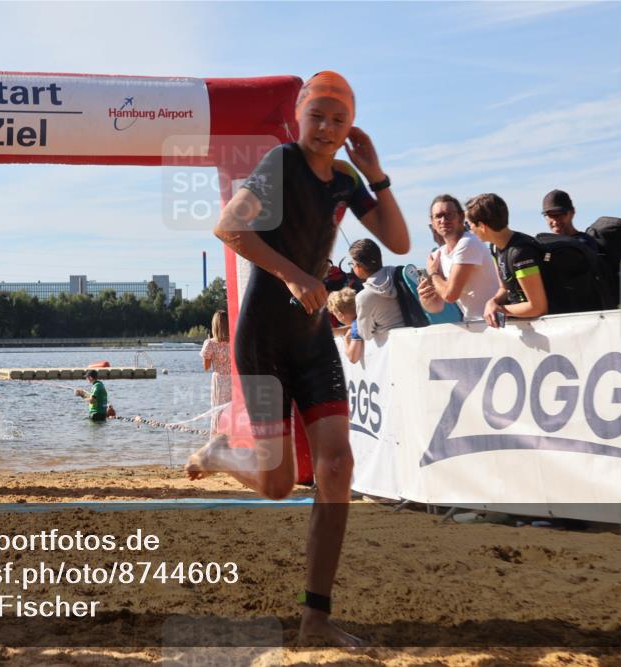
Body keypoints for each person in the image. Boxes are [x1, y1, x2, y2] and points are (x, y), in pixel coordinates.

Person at [184, 71, 409, 646]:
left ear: (349, 125)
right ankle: (216, 456)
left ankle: (317, 617)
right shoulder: (282, 163)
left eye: (339, 119)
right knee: (278, 483)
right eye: (318, 116)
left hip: (311, 343)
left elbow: (399, 240)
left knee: (337, 467)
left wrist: (377, 172)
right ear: (300, 118)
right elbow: (228, 227)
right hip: (260, 341)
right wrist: (293, 273)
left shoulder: (345, 180)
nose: (327, 128)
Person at [466, 193, 549, 327]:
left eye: (469, 224)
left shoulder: (521, 253)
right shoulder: (495, 247)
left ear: (481, 225)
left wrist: (501, 310)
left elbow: (538, 307)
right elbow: (505, 288)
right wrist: (492, 302)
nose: (469, 229)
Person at [417, 194, 499, 321]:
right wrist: (425, 298)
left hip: (495, 323)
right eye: (438, 216)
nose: (443, 220)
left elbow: (450, 296)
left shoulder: (468, 243)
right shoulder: (438, 255)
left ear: (461, 216)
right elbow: (436, 307)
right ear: (432, 222)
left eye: (448, 214)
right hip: (475, 324)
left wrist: (433, 273)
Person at [348, 239, 404, 363]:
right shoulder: (399, 274)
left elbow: (365, 334)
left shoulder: (364, 297)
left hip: (392, 354)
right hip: (417, 341)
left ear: (358, 266)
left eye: (351, 264)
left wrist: (353, 325)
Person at [201, 310, 232, 436]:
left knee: (219, 411)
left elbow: (206, 367)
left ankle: (217, 440)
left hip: (219, 380)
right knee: (233, 409)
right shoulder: (235, 341)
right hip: (234, 379)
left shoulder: (210, 343)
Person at [326, 287, 360, 364]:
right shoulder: (364, 316)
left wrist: (347, 339)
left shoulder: (356, 327)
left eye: (335, 315)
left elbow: (353, 358)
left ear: (340, 315)